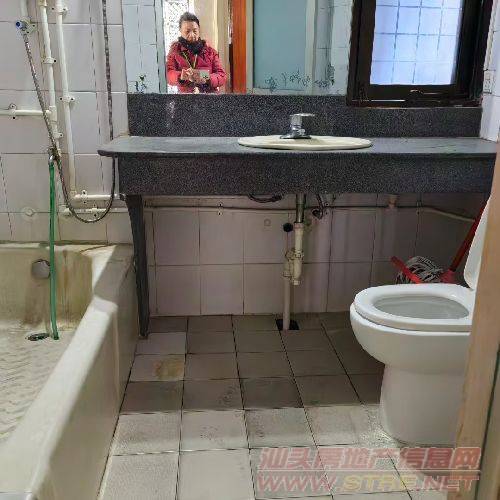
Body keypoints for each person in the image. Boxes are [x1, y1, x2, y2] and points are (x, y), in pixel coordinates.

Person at [167, 12, 227, 93]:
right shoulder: (174, 51)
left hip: (209, 97)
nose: (192, 35)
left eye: (195, 31)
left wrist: (205, 77)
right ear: (180, 31)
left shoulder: (210, 52)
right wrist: (180, 76)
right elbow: (168, 74)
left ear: (199, 29)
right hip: (186, 98)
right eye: (187, 31)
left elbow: (222, 76)